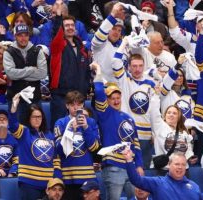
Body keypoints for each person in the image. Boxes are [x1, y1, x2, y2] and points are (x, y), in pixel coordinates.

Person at [91, 62, 143, 200]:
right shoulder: (104, 113)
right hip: (113, 166)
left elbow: (136, 144)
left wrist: (139, 165)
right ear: (107, 101)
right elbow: (99, 92)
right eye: (112, 98)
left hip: (130, 167)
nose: (115, 101)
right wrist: (99, 72)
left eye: (118, 98)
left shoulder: (129, 118)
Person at [111, 39, 156, 169]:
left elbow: (153, 110)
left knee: (144, 171)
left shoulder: (151, 84)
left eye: (140, 66)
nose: (137, 69)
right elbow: (115, 61)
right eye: (134, 66)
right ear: (129, 67)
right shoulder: (124, 80)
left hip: (145, 134)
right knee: (127, 169)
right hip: (127, 132)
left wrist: (154, 132)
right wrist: (124, 43)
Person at [8, 93, 59, 200]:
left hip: (48, 184)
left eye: (39, 116)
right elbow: (12, 126)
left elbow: (55, 158)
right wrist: (13, 108)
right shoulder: (24, 132)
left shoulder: (49, 135)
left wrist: (56, 178)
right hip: (29, 183)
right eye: (34, 117)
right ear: (29, 118)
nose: (37, 119)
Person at [50, 1, 91, 129]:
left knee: (80, 132)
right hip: (61, 97)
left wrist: (86, 87)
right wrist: (58, 14)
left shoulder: (82, 47)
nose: (70, 27)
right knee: (60, 131)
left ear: (76, 28)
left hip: (79, 98)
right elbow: (57, 32)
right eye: (66, 25)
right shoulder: (57, 45)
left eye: (72, 25)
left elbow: (86, 72)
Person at [54, 91, 100, 200]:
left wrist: (86, 128)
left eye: (79, 104)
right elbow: (60, 150)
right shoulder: (60, 123)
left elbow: (94, 148)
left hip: (88, 177)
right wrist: (70, 130)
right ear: (67, 106)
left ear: (83, 105)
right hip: (68, 177)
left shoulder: (91, 122)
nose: (76, 108)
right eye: (72, 105)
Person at [3, 23, 47, 123]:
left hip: (34, 99)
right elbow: (10, 74)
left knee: (35, 129)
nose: (23, 38)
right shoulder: (8, 52)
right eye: (20, 35)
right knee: (17, 131)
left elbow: (43, 73)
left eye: (25, 35)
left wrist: (19, 74)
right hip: (15, 100)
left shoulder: (37, 51)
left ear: (29, 36)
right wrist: (31, 69)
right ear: (15, 36)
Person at [122, 150, 203, 200]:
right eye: (177, 164)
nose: (180, 167)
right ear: (169, 165)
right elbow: (135, 180)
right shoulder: (157, 183)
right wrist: (129, 160)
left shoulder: (194, 187)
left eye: (183, 165)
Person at [149, 94, 196, 171]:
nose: (171, 115)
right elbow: (154, 112)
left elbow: (188, 149)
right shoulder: (159, 126)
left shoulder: (184, 131)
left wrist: (191, 157)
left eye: (174, 113)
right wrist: (156, 96)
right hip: (165, 170)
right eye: (169, 112)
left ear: (179, 117)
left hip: (182, 170)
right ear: (165, 115)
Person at [91, 1, 126, 83]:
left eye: (119, 30)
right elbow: (100, 35)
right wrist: (112, 16)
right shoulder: (100, 44)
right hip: (103, 89)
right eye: (113, 29)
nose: (116, 32)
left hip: (120, 91)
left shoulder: (123, 47)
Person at [0, 110, 18, 198]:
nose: (2, 120)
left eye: (5, 119)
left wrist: (12, 173)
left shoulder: (14, 139)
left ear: (8, 124)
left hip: (11, 172)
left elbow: (17, 159)